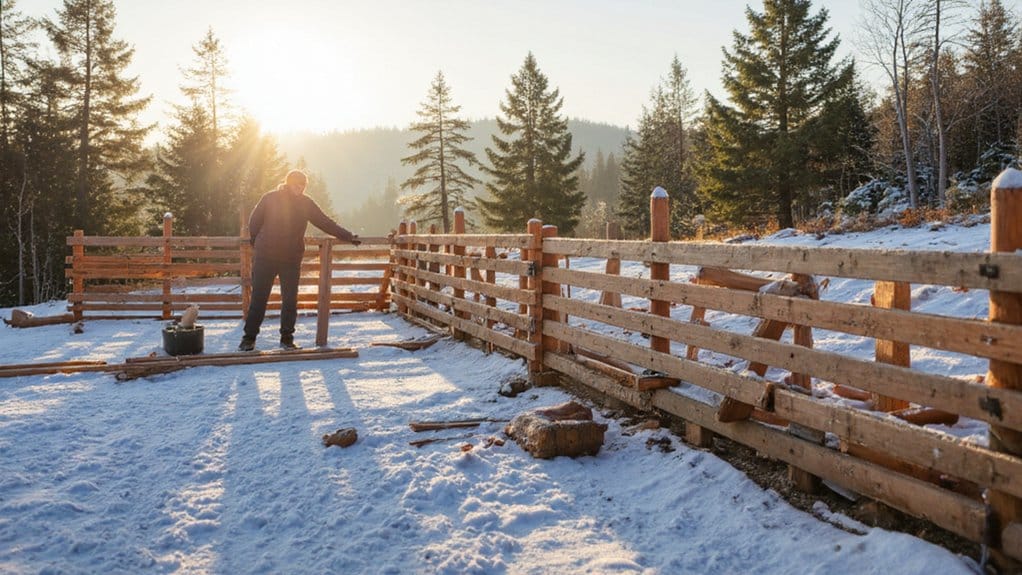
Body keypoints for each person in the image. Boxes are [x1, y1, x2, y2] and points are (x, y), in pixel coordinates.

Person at [239, 169, 359, 351]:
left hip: (290, 259)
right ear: (288, 183)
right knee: (259, 299)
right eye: (297, 184)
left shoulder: (305, 204)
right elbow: (254, 221)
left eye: (303, 185)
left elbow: (325, 222)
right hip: (266, 257)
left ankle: (287, 339)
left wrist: (348, 236)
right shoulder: (270, 198)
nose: (300, 188)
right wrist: (257, 242)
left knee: (290, 300)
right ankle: (248, 339)